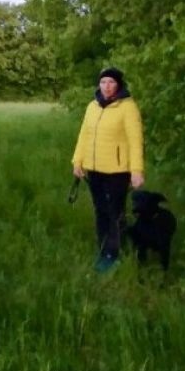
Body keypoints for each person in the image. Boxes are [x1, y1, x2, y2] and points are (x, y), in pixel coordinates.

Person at [71, 67, 145, 272]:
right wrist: (77, 162)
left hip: (117, 170)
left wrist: (136, 170)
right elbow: (84, 135)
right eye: (103, 82)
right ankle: (105, 248)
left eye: (111, 82)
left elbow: (135, 140)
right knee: (100, 210)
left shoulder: (128, 107)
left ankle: (112, 254)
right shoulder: (92, 106)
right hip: (94, 168)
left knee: (115, 212)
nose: (106, 86)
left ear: (118, 85)